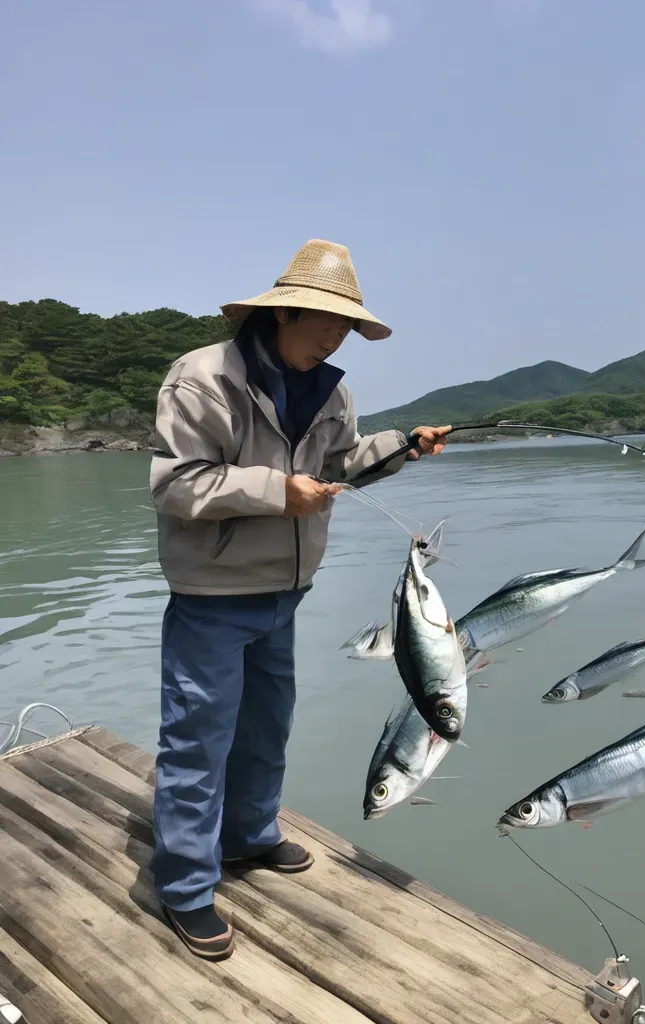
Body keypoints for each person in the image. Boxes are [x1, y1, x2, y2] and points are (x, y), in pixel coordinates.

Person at [147, 238, 451, 960]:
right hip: (213, 593)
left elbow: (340, 465)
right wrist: (276, 493)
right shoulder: (202, 379)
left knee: (266, 725)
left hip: (285, 592)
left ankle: (250, 837)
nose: (334, 336)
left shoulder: (331, 390)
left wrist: (405, 446)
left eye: (345, 327)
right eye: (323, 321)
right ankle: (185, 885)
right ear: (282, 312)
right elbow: (176, 485)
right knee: (198, 736)